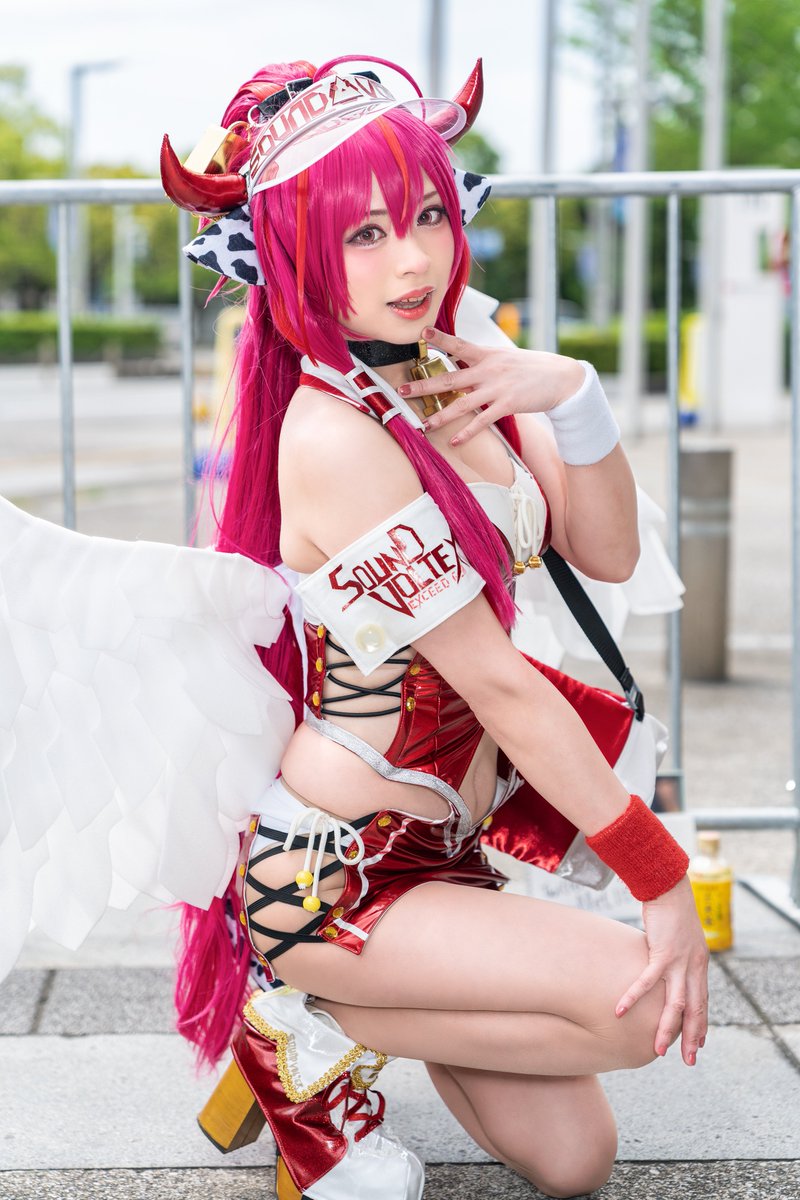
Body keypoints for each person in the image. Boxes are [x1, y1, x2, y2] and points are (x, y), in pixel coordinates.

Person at [0, 54, 707, 1200]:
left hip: (446, 854)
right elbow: (500, 686)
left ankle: (328, 1020)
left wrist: (572, 397)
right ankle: (288, 1012)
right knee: (639, 1007)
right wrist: (658, 881)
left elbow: (609, 552)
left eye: (425, 214)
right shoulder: (332, 438)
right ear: (293, 255)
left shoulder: (450, 371)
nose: (413, 258)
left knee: (575, 1161)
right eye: (363, 233)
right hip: (332, 878)